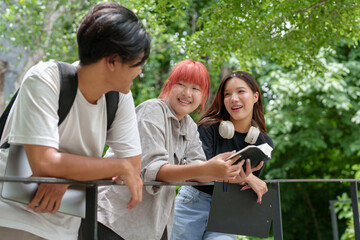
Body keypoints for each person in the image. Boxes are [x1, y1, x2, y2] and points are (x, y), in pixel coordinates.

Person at [0, 2, 150, 240]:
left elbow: (133, 165)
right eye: (136, 64)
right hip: (13, 217)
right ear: (112, 61)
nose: (140, 71)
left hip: (65, 228)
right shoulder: (45, 79)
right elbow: (44, 163)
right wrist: (115, 166)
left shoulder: (119, 97)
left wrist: (67, 177)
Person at [97, 60, 256, 240]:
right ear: (168, 86)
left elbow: (198, 171)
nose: (187, 93)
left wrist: (228, 173)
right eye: (180, 84)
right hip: (115, 219)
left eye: (196, 89)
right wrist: (208, 169)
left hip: (151, 226)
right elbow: (154, 170)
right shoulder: (153, 110)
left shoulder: (189, 125)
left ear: (203, 95)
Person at [171, 71, 274, 240]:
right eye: (227, 94)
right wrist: (247, 178)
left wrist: (247, 179)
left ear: (255, 96)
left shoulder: (264, 143)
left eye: (240, 91)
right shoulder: (207, 128)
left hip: (227, 207)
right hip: (193, 203)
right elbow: (200, 173)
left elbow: (245, 187)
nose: (233, 98)